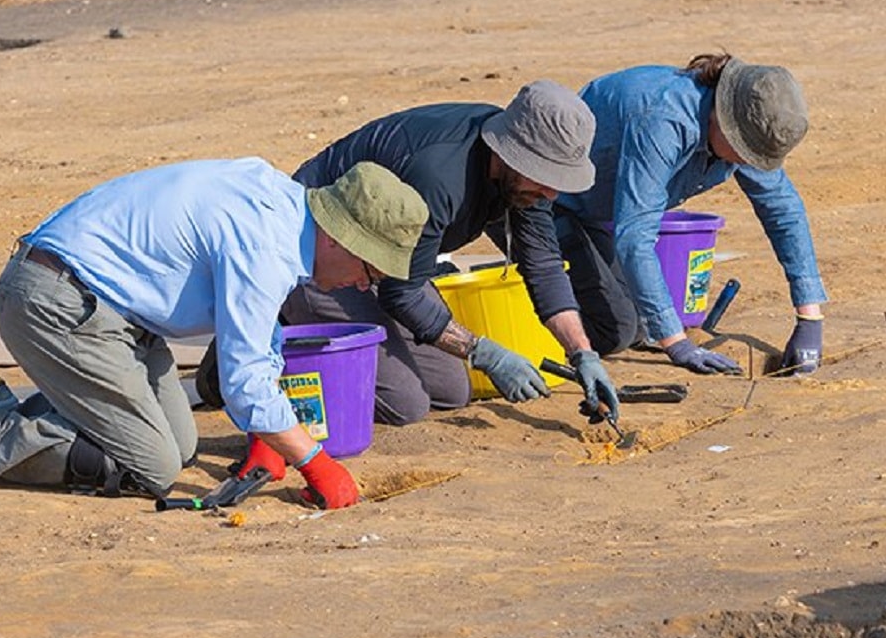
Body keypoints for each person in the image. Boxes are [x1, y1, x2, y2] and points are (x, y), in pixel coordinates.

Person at [0, 159, 430, 510]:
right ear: (341, 237)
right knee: (152, 467)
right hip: (54, 301)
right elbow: (244, 378)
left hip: (115, 315)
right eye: (371, 268)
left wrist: (269, 438)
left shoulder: (279, 206)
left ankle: (34, 412)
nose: (364, 283)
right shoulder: (266, 246)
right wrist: (312, 461)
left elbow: (257, 332)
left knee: (181, 445)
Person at [196, 80, 621, 427]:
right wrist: (485, 353)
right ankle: (259, 350)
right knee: (405, 403)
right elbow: (403, 294)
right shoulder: (440, 177)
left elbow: (543, 264)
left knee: (451, 391)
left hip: (390, 265)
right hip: (326, 256)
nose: (551, 191)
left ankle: (283, 324)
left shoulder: (524, 182)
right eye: (545, 177)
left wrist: (582, 353)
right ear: (510, 152)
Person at [552, 53, 826, 376]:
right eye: (746, 152)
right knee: (619, 329)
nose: (749, 163)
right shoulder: (663, 122)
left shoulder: (745, 125)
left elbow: (782, 209)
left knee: (641, 321)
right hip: (543, 200)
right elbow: (635, 237)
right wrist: (678, 345)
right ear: (724, 121)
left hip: (596, 212)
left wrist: (810, 317)